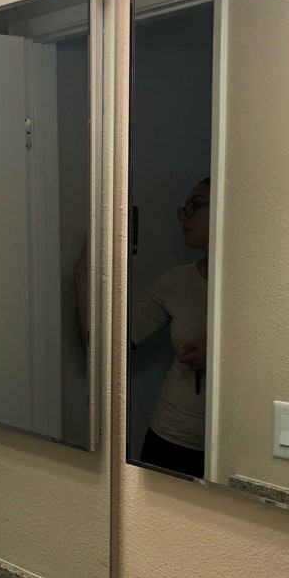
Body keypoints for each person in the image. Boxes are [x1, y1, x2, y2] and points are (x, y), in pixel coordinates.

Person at [131, 177, 210, 477]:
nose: (184, 217)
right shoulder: (176, 281)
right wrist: (83, 270)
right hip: (169, 438)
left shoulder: (262, 283)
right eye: (184, 208)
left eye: (197, 205)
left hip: (238, 443)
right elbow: (113, 344)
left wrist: (220, 355)